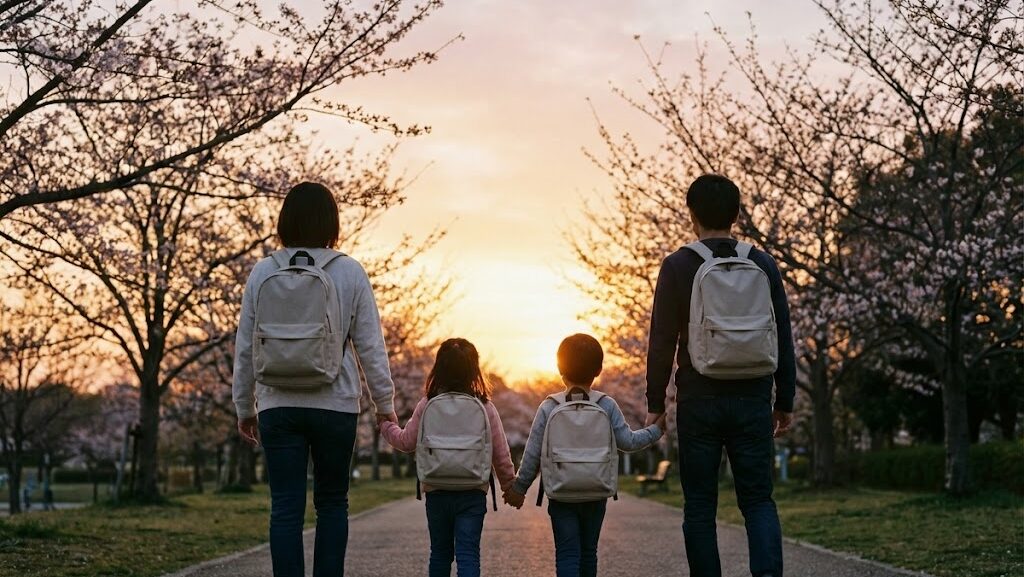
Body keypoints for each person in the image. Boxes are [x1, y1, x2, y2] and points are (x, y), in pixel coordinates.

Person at [232, 182, 398, 577]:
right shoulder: (349, 271)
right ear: (331, 221)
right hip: (335, 405)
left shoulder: (263, 271)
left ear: (284, 221)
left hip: (278, 404)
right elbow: (371, 345)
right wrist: (384, 406)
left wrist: (244, 405)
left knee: (285, 507)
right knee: (332, 503)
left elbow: (245, 347)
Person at [644, 174, 796, 577]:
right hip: (753, 395)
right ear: (737, 213)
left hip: (699, 398)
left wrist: (655, 404)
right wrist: (785, 400)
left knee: (699, 506)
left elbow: (661, 339)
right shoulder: (762, 262)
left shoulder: (678, 265)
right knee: (759, 501)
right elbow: (781, 332)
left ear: (691, 214)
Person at [505, 333, 665, 577]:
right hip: (595, 490)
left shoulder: (549, 406)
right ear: (599, 369)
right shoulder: (606, 404)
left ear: (560, 368)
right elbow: (627, 441)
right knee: (589, 552)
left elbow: (533, 453)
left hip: (561, 493)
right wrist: (655, 431)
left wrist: (519, 488)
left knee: (568, 552)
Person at [379, 338, 516, 577]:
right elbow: (501, 455)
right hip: (472, 491)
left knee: (440, 553)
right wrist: (510, 486)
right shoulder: (485, 407)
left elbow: (406, 441)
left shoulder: (428, 403)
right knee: (468, 553)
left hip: (437, 489)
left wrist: (386, 426)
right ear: (475, 369)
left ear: (438, 368)